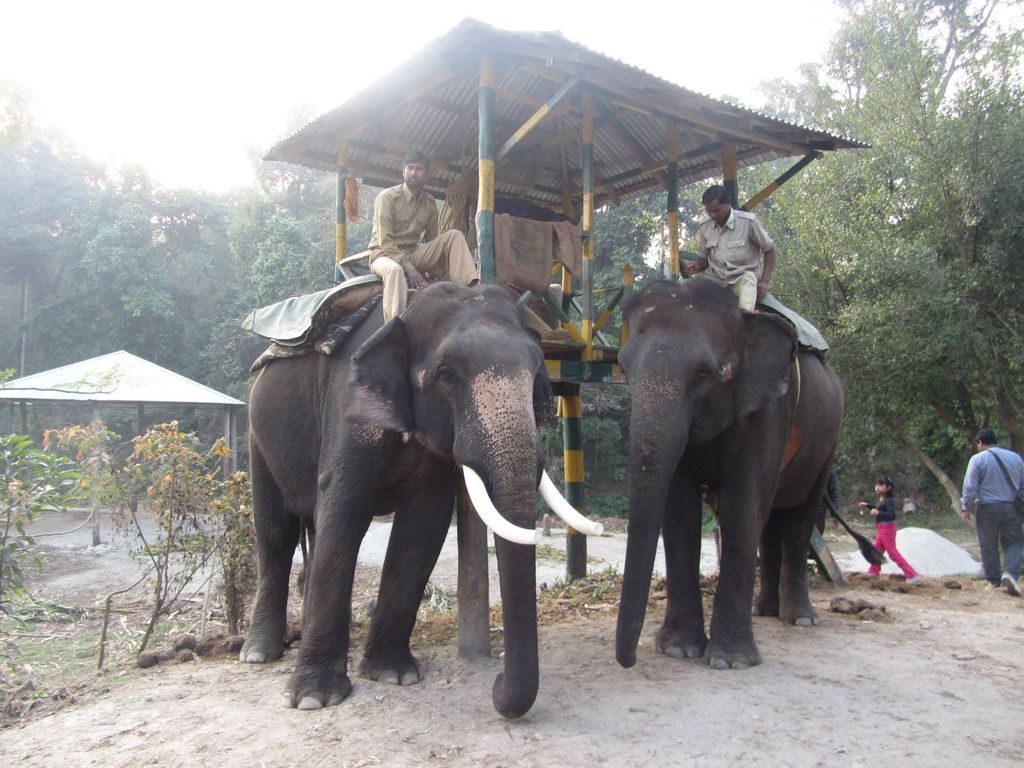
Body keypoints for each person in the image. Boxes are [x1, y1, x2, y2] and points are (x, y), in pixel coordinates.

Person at [367, 151, 479, 320]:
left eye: (419, 169)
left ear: (427, 175)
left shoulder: (430, 202)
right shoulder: (387, 197)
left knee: (454, 235)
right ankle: (394, 325)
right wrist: (410, 269)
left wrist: (438, 267)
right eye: (410, 168)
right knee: (395, 271)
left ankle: (467, 289)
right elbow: (385, 241)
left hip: (413, 254)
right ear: (403, 171)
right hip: (384, 255)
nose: (413, 172)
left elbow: (432, 241)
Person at [684, 184, 777, 312]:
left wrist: (765, 282)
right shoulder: (705, 226)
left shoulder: (748, 222)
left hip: (742, 279)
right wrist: (698, 266)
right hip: (717, 281)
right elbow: (703, 260)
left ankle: (746, 317)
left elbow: (769, 250)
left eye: (716, 210)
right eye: (709, 211)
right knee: (687, 290)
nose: (712, 215)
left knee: (748, 283)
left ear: (728, 203)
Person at [960, 429, 1023, 596]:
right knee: (1014, 543)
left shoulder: (978, 459)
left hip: (987, 508)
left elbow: (970, 487)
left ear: (981, 442)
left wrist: (965, 506)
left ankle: (994, 581)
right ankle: (1010, 574)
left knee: (989, 544)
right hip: (1011, 507)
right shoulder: (1016, 458)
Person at [858, 475, 921, 582]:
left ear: (888, 487)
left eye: (881, 485)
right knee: (876, 551)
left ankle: (912, 575)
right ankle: (873, 572)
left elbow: (892, 515)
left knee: (892, 553)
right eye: (877, 484)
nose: (878, 487)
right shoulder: (882, 499)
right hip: (881, 529)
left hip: (887, 529)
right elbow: (878, 507)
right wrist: (867, 505)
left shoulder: (889, 500)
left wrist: (878, 512)